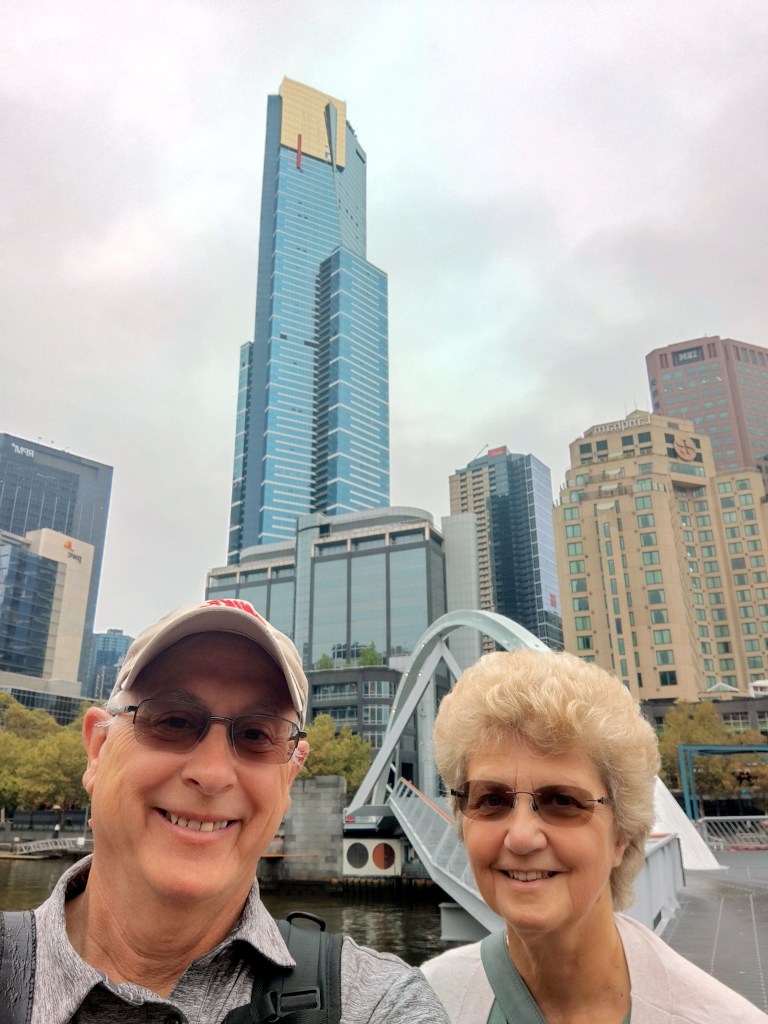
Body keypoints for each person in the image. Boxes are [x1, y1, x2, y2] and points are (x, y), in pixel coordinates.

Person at [27, 598, 449, 1023]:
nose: (212, 774)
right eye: (173, 721)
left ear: (289, 777)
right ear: (98, 750)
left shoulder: (378, 1003)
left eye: (255, 734)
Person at [421, 649, 767, 1024]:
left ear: (621, 834)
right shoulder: (427, 998)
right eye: (492, 800)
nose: (520, 837)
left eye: (562, 801)